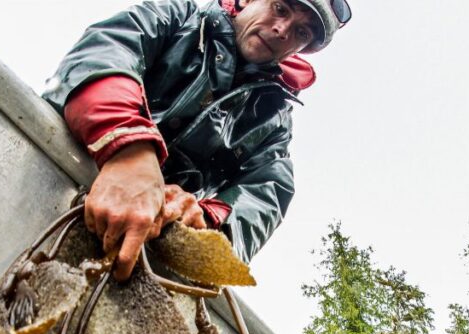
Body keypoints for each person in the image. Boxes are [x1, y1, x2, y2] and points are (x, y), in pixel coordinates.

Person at [43, 0, 351, 280]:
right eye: (280, 9)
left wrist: (204, 218)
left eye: (301, 32)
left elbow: (268, 191)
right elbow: (102, 56)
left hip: (140, 252)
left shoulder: (274, 121)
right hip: (53, 182)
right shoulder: (176, 16)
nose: (282, 30)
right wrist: (131, 153)